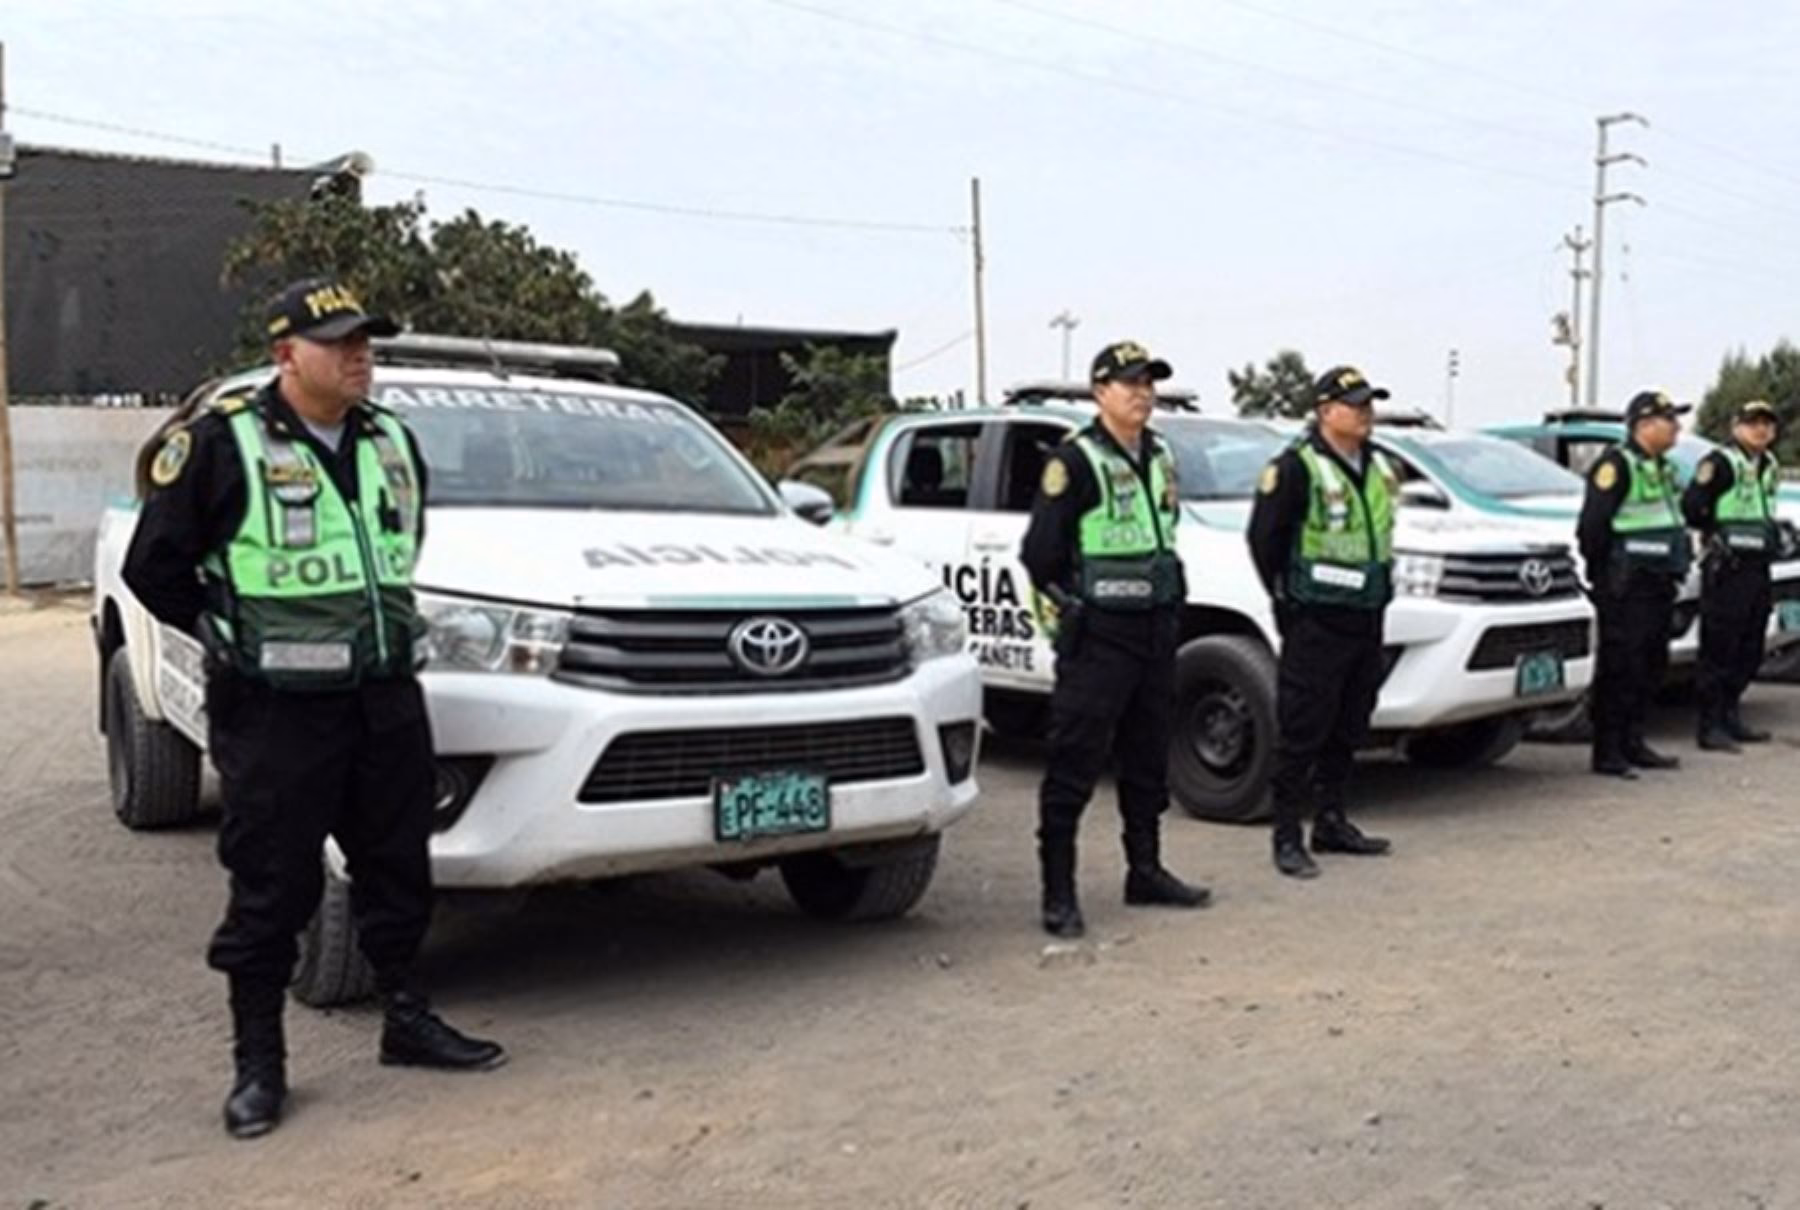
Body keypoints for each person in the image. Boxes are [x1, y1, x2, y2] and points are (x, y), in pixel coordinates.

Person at [123, 278, 505, 1140]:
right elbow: (155, 568)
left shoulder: (392, 441)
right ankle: (260, 1063)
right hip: (276, 710)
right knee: (275, 882)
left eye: (366, 339)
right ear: (286, 354)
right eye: (339, 341)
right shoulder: (222, 446)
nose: (361, 353)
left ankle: (406, 1019)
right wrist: (231, 638)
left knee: (399, 863)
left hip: (383, 695)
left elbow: (398, 549)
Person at [1020, 340, 1210, 938]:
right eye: (1130, 384)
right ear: (1100, 393)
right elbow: (1040, 557)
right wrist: (1076, 614)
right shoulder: (1073, 463)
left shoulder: (1159, 453)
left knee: (1148, 757)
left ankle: (1145, 871)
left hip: (1155, 629)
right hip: (1100, 637)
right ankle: (1059, 892)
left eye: (1149, 383)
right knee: (1075, 762)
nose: (1143, 393)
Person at [1247, 366, 1397, 880]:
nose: (1365, 414)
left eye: (1369, 404)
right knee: (1302, 729)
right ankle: (1287, 833)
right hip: (1316, 619)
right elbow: (1264, 539)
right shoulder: (1295, 467)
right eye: (1355, 405)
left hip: (1366, 615)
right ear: (1324, 411)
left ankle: (1332, 821)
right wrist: (1287, 601)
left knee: (1350, 723)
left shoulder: (1376, 465)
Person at [1577, 390, 1693, 779]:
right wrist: (1605, 576)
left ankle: (1634, 741)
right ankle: (1608, 751)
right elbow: (1592, 528)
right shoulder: (1616, 465)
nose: (1677, 427)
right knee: (1621, 667)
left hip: (1659, 582)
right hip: (1625, 585)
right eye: (1669, 420)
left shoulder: (1663, 468)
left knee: (1650, 665)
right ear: (1644, 425)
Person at [1682, 399, 1784, 751]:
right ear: (1737, 426)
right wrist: (1717, 534)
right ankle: (1710, 725)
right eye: (1753, 422)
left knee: (1750, 646)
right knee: (1719, 647)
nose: (1761, 429)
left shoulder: (1768, 463)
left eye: (1767, 424)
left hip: (1757, 565)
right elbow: (1693, 505)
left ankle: (1731, 715)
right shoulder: (1721, 462)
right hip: (1727, 568)